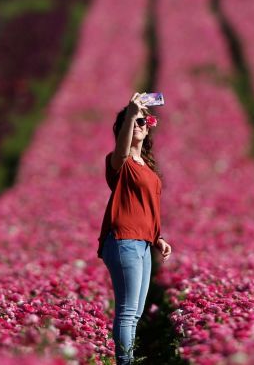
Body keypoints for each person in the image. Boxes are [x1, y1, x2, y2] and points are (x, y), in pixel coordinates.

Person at [97, 92, 173, 365]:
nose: (141, 124)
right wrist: (131, 113)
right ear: (124, 129)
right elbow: (122, 149)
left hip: (143, 243)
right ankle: (125, 363)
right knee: (128, 312)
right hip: (123, 240)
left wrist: (158, 238)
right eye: (135, 122)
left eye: (144, 121)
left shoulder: (147, 167)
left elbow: (148, 207)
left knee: (136, 312)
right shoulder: (120, 162)